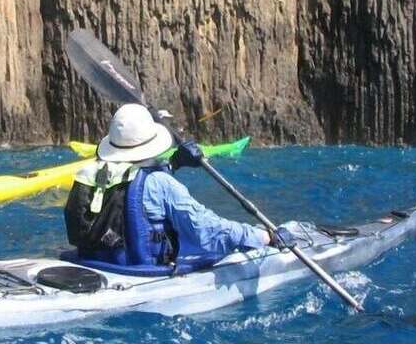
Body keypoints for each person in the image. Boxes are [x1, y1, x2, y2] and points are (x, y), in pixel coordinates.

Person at [65, 104, 289, 270]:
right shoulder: (161, 184)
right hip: (139, 272)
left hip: (93, 262)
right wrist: (261, 237)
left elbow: (133, 187)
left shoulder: (91, 173)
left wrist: (174, 163)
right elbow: (207, 231)